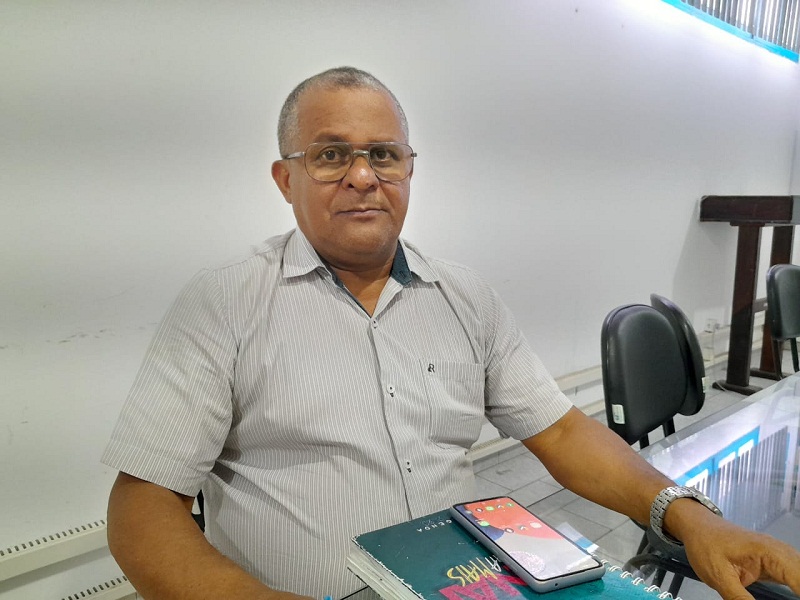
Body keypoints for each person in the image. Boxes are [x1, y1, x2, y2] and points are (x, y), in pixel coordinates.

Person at [103, 66, 800, 600]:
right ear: (286, 179)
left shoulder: (465, 297)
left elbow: (561, 432)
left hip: (470, 583)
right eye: (330, 155)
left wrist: (694, 520)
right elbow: (143, 506)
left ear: (408, 170)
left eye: (383, 154)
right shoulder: (224, 304)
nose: (362, 177)